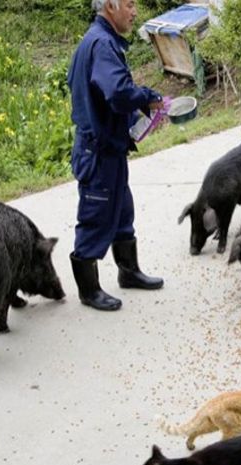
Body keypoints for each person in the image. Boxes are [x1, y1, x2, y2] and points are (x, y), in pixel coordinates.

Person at [67, 0, 164, 311]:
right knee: (95, 216)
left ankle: (129, 272)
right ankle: (89, 290)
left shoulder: (95, 40)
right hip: (99, 151)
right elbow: (119, 93)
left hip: (110, 148)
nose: (135, 11)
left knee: (122, 211)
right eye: (130, 4)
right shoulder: (102, 44)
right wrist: (149, 98)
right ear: (110, 5)